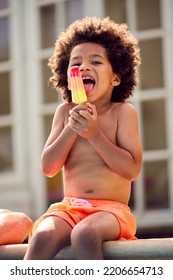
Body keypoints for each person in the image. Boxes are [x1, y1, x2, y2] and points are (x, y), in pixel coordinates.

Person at [24, 17, 142, 260]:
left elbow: (131, 170)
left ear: (116, 78)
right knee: (42, 235)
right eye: (75, 64)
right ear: (67, 77)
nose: (84, 67)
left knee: (84, 234)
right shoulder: (64, 113)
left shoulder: (122, 113)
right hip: (69, 208)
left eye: (96, 62)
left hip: (110, 211)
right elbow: (48, 167)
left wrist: (94, 134)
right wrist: (71, 128)